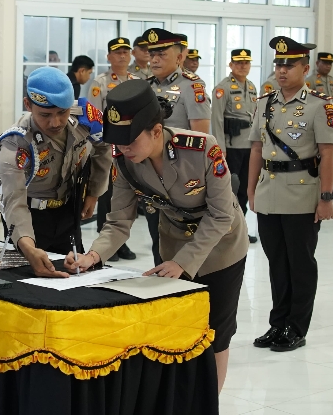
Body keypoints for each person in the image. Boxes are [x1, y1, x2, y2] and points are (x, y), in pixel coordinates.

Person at [65, 78, 248, 394]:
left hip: (222, 247)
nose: (123, 149)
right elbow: (118, 222)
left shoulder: (203, 148)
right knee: (175, 330)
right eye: (119, 142)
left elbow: (221, 216)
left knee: (216, 330)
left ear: (156, 131)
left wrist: (183, 263)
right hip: (173, 244)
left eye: (130, 141)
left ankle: (210, 403)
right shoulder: (125, 161)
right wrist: (92, 256)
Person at [249, 36, 333, 352]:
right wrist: (250, 189)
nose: (282, 71)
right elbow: (256, 149)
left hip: (302, 195)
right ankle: (277, 324)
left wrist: (327, 198)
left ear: (305, 69)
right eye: (279, 65)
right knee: (276, 263)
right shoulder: (264, 103)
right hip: (269, 193)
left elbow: (328, 153)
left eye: (290, 65)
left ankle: (296, 327)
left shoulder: (319, 105)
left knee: (300, 264)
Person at [0, 67, 111, 277]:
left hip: (68, 211)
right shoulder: (15, 143)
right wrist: (28, 247)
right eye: (45, 115)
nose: (55, 123)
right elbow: (13, 200)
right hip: (29, 216)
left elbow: (104, 147)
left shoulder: (85, 119)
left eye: (62, 112)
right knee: (27, 279)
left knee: (76, 276)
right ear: (28, 104)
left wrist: (94, 192)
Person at [144, 28, 211, 266]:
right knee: (158, 239)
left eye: (161, 54)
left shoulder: (192, 87)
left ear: (180, 57)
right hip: (152, 176)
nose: (154, 59)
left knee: (183, 242)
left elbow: (201, 139)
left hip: (182, 176)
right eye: (152, 54)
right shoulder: (146, 87)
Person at [86, 37, 138, 261]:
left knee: (126, 196)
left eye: (126, 52)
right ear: (109, 57)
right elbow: (94, 118)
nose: (122, 56)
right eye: (117, 52)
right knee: (107, 195)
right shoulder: (100, 83)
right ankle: (106, 244)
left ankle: (122, 241)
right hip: (109, 148)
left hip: (132, 147)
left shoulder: (137, 81)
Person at [211, 49, 259, 244]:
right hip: (231, 147)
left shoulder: (252, 86)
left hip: (250, 147)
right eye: (238, 63)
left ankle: (240, 229)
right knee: (229, 189)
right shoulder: (223, 88)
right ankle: (226, 230)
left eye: (246, 63)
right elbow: (217, 119)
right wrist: (219, 148)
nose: (242, 66)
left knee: (245, 189)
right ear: (231, 65)